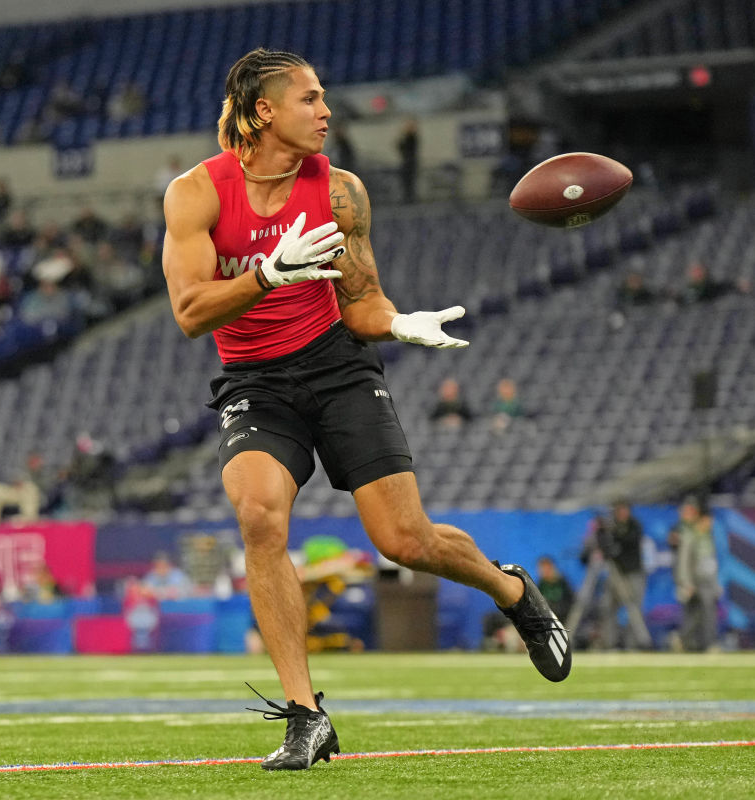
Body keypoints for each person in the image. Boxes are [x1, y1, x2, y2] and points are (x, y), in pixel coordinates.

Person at [161, 48, 569, 771]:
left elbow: (362, 301)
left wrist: (400, 321)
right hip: (255, 379)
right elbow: (191, 312)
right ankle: (305, 715)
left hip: (337, 368)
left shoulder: (341, 190)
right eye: (311, 99)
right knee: (258, 513)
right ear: (264, 111)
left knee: (404, 541)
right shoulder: (197, 194)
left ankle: (512, 590)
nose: (326, 112)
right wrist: (267, 274)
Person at [591, 500, 649, 650]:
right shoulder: (612, 526)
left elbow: (629, 540)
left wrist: (612, 532)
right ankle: (611, 643)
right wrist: (602, 532)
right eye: (619, 510)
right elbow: (600, 548)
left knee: (633, 609)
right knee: (609, 606)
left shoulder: (634, 526)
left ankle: (633, 645)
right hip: (615, 572)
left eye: (624, 510)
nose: (622, 513)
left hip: (632, 573)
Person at [674, 506, 722, 652]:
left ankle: (705, 643)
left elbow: (711, 561)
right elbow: (684, 561)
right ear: (701, 520)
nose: (709, 524)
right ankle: (687, 641)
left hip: (708, 581)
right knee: (695, 614)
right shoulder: (691, 536)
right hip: (695, 581)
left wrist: (716, 584)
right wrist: (686, 583)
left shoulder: (709, 537)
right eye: (707, 521)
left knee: (707, 613)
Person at [536, 556, 574, 624]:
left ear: (552, 567)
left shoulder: (562, 583)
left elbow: (571, 603)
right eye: (542, 569)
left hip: (563, 619)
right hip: (545, 620)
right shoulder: (540, 585)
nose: (544, 571)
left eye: (547, 568)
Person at [396, 118, 419, 204]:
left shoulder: (412, 137)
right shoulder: (410, 137)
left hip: (409, 163)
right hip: (407, 163)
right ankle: (408, 197)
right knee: (406, 182)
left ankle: (409, 198)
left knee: (409, 182)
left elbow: (404, 148)